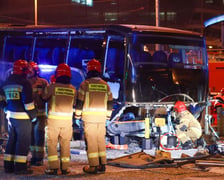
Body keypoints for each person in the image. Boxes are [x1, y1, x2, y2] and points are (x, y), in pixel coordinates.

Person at [75, 59, 113, 174]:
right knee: (100, 140)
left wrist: (77, 116)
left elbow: (80, 102)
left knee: (91, 142)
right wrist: (107, 117)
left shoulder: (85, 84)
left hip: (89, 118)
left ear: (88, 70)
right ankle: (102, 164)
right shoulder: (105, 85)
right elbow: (110, 103)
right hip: (101, 118)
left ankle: (93, 166)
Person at [0, 59, 37, 174]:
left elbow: (1, 100)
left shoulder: (6, 82)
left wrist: (6, 108)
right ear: (24, 71)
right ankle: (20, 168)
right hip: (23, 117)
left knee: (12, 140)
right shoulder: (25, 83)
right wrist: (33, 116)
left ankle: (8, 166)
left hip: (10, 116)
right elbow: (28, 103)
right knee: (23, 142)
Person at [42, 63, 77, 175]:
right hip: (67, 122)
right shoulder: (73, 89)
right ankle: (65, 168)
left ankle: (53, 168)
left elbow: (44, 97)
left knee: (52, 144)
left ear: (57, 74)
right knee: (65, 144)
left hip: (53, 121)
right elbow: (75, 103)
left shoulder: (52, 87)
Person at [27, 61, 49, 166]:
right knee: (31, 136)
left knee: (39, 135)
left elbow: (47, 97)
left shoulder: (43, 82)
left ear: (35, 71)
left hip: (40, 114)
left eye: (31, 70)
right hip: (28, 114)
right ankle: (33, 157)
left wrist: (41, 96)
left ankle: (39, 158)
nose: (29, 73)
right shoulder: (25, 82)